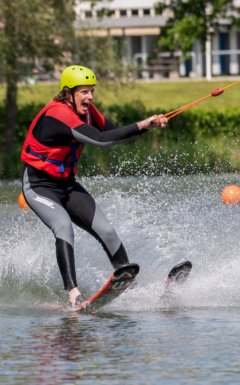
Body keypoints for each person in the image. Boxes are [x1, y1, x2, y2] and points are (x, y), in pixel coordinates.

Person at [21, 65, 167, 309]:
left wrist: (147, 125)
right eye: (84, 92)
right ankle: (73, 294)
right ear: (68, 94)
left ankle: (133, 289)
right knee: (63, 226)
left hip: (67, 184)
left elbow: (114, 133)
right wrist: (141, 124)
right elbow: (101, 140)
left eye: (91, 91)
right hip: (39, 186)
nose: (90, 97)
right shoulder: (58, 114)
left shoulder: (87, 112)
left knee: (106, 231)